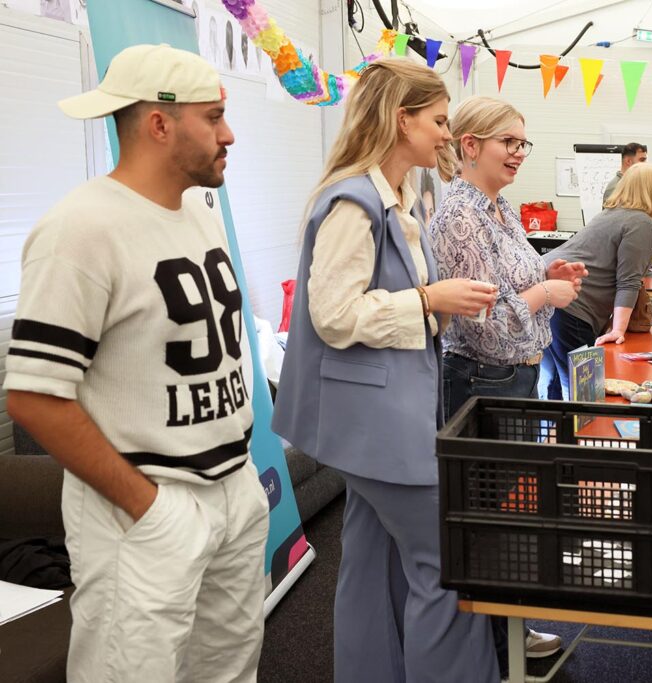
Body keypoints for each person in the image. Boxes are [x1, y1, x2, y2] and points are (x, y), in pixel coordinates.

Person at [4, 44, 269, 681]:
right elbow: (35, 394)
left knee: (229, 670)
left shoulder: (201, 211)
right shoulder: (80, 230)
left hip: (232, 492)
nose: (228, 134)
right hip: (147, 512)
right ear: (159, 123)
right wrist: (150, 507)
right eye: (214, 117)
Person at [271, 60, 500, 683]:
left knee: (371, 563)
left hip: (378, 416)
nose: (448, 135)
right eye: (440, 121)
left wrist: (438, 303)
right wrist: (431, 301)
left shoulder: (393, 199)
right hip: (374, 424)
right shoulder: (355, 202)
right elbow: (335, 315)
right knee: (446, 561)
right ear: (403, 120)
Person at [429, 96, 584, 422]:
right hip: (483, 382)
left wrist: (544, 275)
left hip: (513, 378)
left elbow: (503, 283)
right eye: (508, 142)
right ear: (470, 145)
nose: (519, 153)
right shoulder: (462, 215)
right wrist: (545, 292)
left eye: (522, 144)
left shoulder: (500, 206)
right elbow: (487, 328)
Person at [540, 163, 652, 399]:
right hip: (574, 309)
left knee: (557, 381)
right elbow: (629, 281)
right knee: (584, 390)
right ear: (649, 190)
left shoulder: (611, 214)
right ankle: (577, 436)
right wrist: (618, 329)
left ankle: (555, 434)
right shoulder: (640, 222)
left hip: (553, 299)